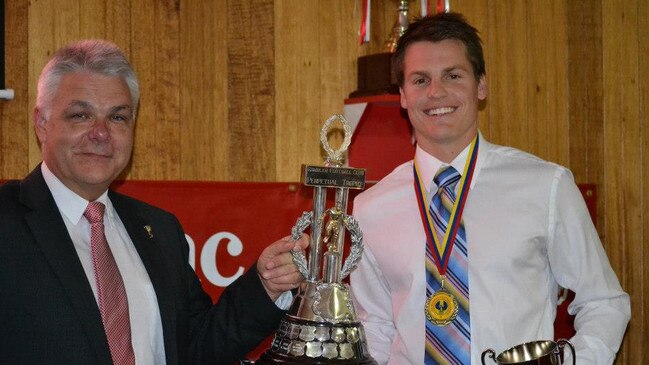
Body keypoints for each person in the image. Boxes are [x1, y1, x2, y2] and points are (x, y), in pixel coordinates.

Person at [0, 39, 308, 364]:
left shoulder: (159, 230)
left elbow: (196, 348)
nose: (101, 133)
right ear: (42, 123)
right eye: (81, 115)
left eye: (118, 118)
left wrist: (266, 284)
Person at [349, 12, 630, 364]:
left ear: (481, 85)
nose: (436, 92)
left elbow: (604, 302)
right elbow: (373, 324)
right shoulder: (371, 208)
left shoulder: (546, 186)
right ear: (403, 95)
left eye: (453, 75)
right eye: (421, 79)